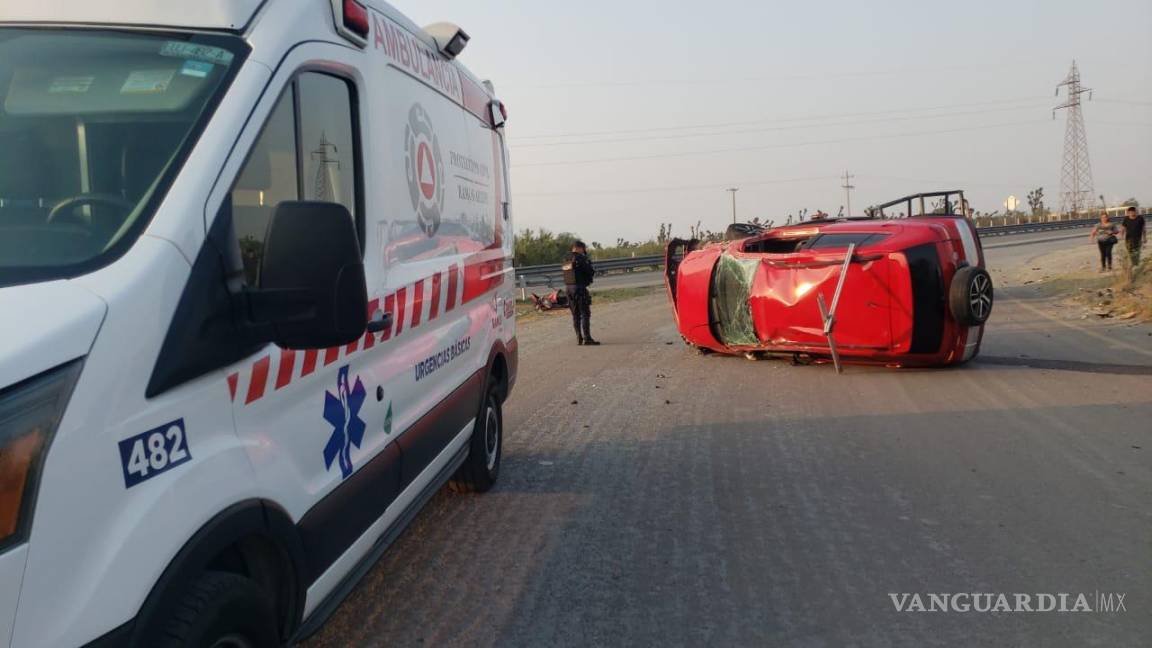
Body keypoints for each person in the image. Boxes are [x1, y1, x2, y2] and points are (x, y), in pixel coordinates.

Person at [562, 240, 599, 345]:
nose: (584, 251)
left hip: (569, 289)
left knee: (575, 315)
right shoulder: (580, 258)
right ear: (579, 248)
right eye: (583, 249)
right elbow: (589, 271)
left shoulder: (566, 259)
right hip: (579, 289)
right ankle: (587, 338)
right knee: (585, 314)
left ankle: (579, 338)